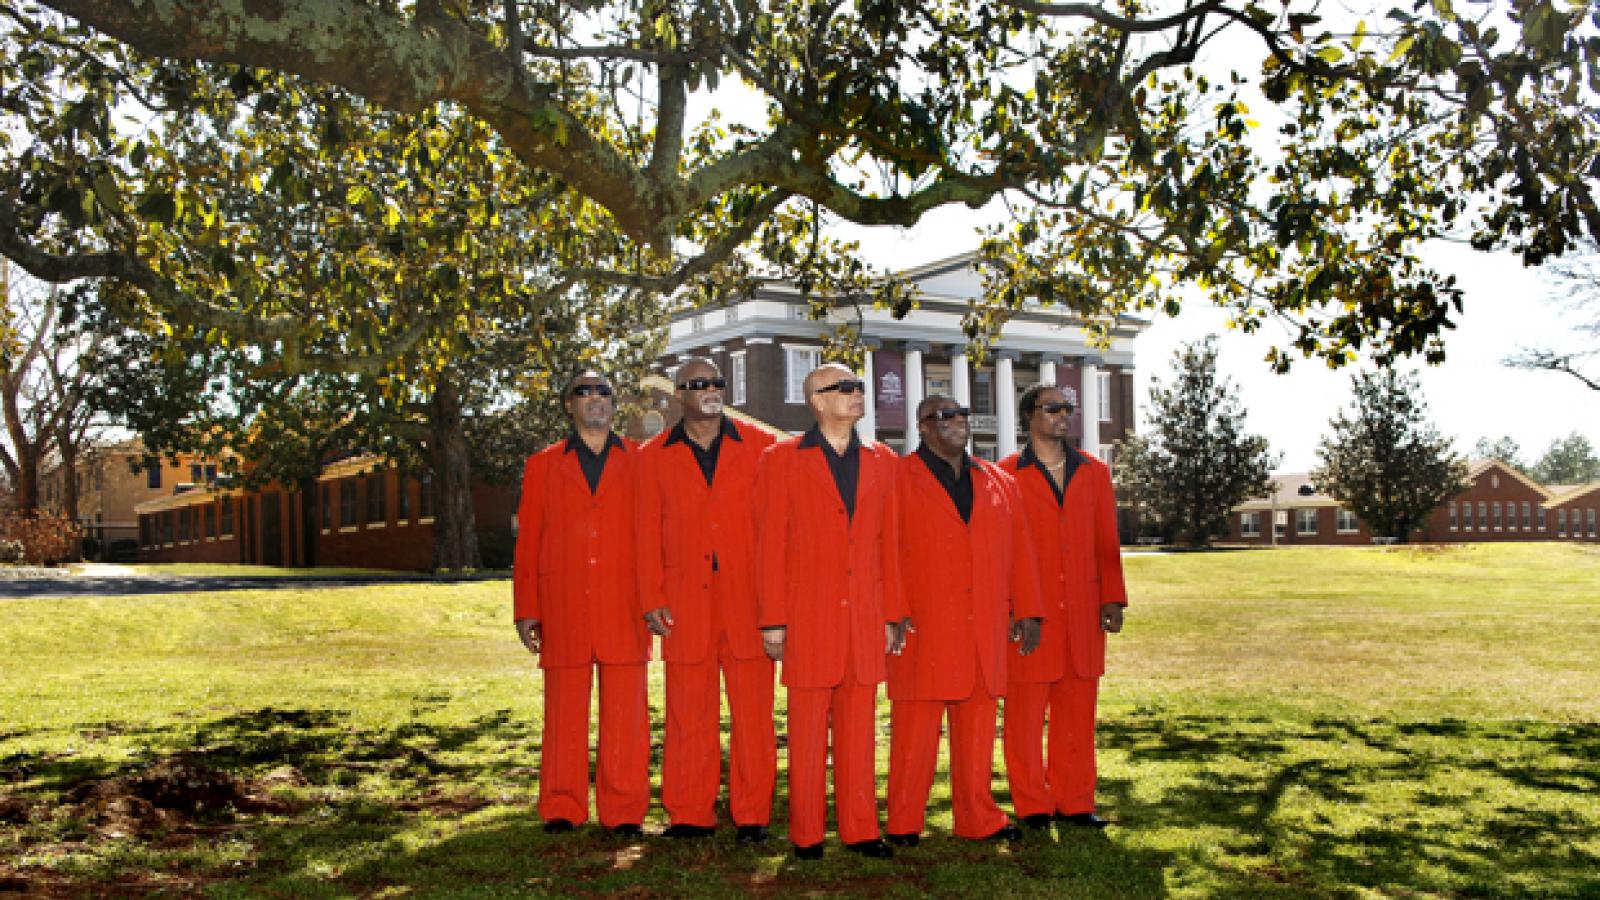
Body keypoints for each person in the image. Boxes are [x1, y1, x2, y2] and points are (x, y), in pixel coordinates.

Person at [754, 362, 906, 861]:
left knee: (860, 730)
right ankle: (806, 834)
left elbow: (891, 544)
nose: (856, 393)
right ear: (817, 400)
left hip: (865, 617)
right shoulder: (781, 459)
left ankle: (862, 830)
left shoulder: (885, 460)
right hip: (807, 617)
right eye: (844, 387)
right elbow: (770, 543)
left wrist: (894, 615)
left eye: (859, 386)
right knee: (805, 731)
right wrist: (772, 619)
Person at [885, 395, 1043, 846]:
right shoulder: (898, 479)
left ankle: (979, 818)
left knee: (977, 730)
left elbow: (1021, 548)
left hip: (983, 628)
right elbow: (886, 552)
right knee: (915, 732)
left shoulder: (997, 480)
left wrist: (1028, 608)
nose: (957, 422)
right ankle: (903, 823)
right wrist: (892, 611)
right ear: (923, 427)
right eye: (945, 416)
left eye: (962, 415)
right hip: (923, 626)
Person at [636, 358, 778, 844]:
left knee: (754, 715)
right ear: (679, 395)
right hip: (683, 604)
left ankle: (753, 813)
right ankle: (690, 813)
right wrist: (651, 595)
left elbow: (779, 534)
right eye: (698, 384)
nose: (710, 390)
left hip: (750, 604)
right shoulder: (650, 455)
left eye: (717, 382)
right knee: (687, 713)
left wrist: (776, 604)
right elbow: (644, 533)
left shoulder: (765, 450)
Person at [512, 369, 650, 838]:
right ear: (568, 405)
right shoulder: (542, 465)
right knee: (563, 714)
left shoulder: (640, 460)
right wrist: (527, 607)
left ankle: (625, 809)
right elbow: (528, 541)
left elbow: (654, 539)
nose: (595, 398)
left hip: (625, 606)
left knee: (626, 717)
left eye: (603, 392)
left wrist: (654, 598)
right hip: (563, 605)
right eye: (583, 392)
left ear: (615, 403)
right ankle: (561, 805)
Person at [1000, 383, 1128, 829]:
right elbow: (1004, 552)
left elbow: (1106, 541)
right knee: (1025, 715)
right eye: (1052, 407)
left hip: (1083, 612)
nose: (1063, 414)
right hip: (1032, 616)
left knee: (1077, 713)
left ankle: (1076, 801)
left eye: (1067, 407)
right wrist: (1015, 609)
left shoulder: (1094, 471)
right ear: (1029, 416)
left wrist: (1113, 597)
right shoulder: (1006, 473)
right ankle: (1032, 803)